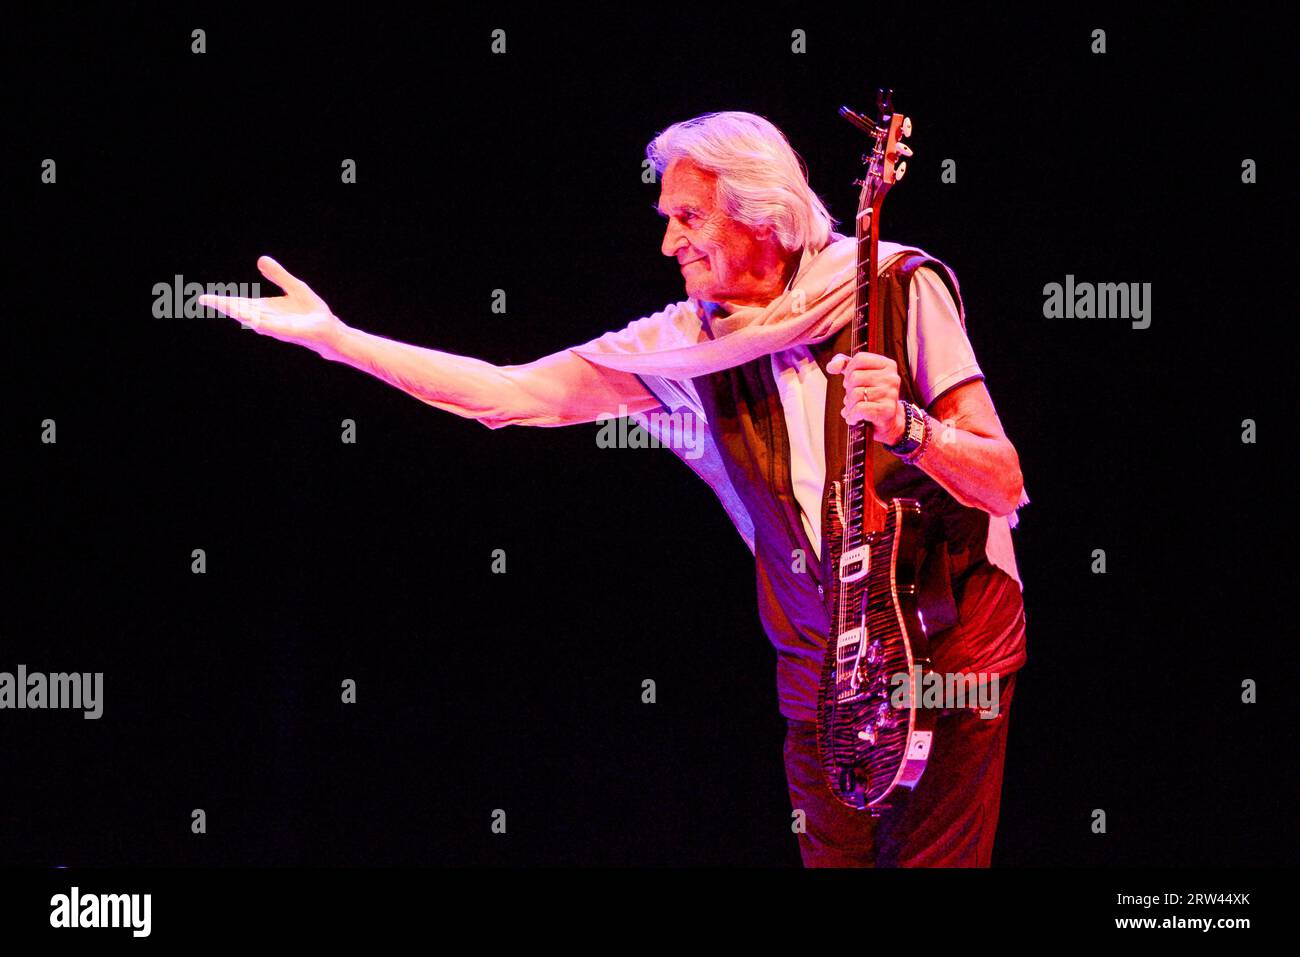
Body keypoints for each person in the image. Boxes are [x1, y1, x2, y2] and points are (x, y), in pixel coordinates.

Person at [199, 110, 1028, 867]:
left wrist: (913, 430)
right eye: (667, 219)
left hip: (947, 646)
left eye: (688, 218)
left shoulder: (891, 286)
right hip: (822, 670)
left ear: (764, 212)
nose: (669, 244)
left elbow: (1002, 479)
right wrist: (341, 342)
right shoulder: (683, 346)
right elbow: (506, 395)